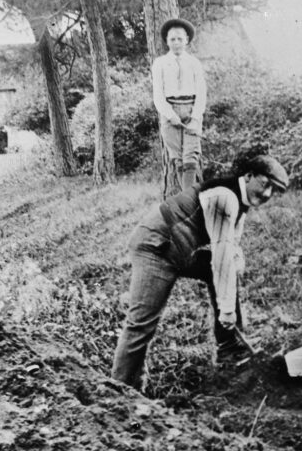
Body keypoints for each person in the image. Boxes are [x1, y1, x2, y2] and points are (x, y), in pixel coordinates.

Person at [111, 155, 289, 390]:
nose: (267, 195)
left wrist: (236, 271)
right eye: (265, 184)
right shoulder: (224, 197)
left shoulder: (240, 203)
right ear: (248, 176)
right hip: (156, 247)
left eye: (273, 191)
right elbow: (222, 255)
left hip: (180, 250)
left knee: (220, 272)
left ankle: (230, 350)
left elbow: (232, 252)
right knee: (141, 323)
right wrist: (227, 311)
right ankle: (120, 391)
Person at [151, 17, 206, 196]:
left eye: (180, 39)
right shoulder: (159, 63)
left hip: (191, 109)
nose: (176, 43)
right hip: (169, 112)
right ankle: (186, 202)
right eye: (172, 39)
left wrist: (195, 118)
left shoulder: (194, 63)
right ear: (167, 41)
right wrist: (169, 115)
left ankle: (189, 201)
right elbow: (158, 94)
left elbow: (202, 93)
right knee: (178, 160)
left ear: (187, 40)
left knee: (191, 159)